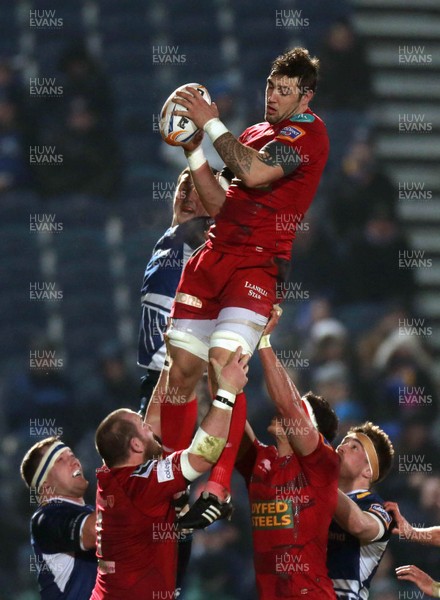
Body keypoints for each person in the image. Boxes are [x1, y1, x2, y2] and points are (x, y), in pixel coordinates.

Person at [160, 47, 330, 518]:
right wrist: (195, 150)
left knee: (223, 367)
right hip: (213, 256)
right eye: (270, 87)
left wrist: (210, 123)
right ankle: (173, 484)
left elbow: (255, 173)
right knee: (180, 375)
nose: (272, 96)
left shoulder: (309, 134)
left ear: (305, 96)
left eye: (284, 90)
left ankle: (217, 490)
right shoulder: (254, 132)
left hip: (258, 265)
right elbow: (220, 204)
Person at [90, 347, 248, 600]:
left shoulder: (114, 477)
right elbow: (203, 454)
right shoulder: (141, 484)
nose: (149, 427)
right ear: (135, 446)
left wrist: (173, 358)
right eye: (141, 427)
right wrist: (227, 392)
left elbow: (153, 420)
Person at [137, 166, 214, 431]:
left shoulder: (199, 238)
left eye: (199, 192)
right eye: (183, 188)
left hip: (179, 381)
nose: (188, 197)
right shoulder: (171, 239)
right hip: (165, 377)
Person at [20, 437, 97, 599]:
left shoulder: (89, 512)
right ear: (46, 487)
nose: (74, 461)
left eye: (72, 455)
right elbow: (93, 531)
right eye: (60, 459)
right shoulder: (45, 519)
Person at [327, 423, 395, 599]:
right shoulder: (317, 491)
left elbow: (360, 526)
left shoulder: (379, 509)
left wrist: (322, 481)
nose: (341, 447)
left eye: (354, 447)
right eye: (343, 442)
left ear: (368, 471)